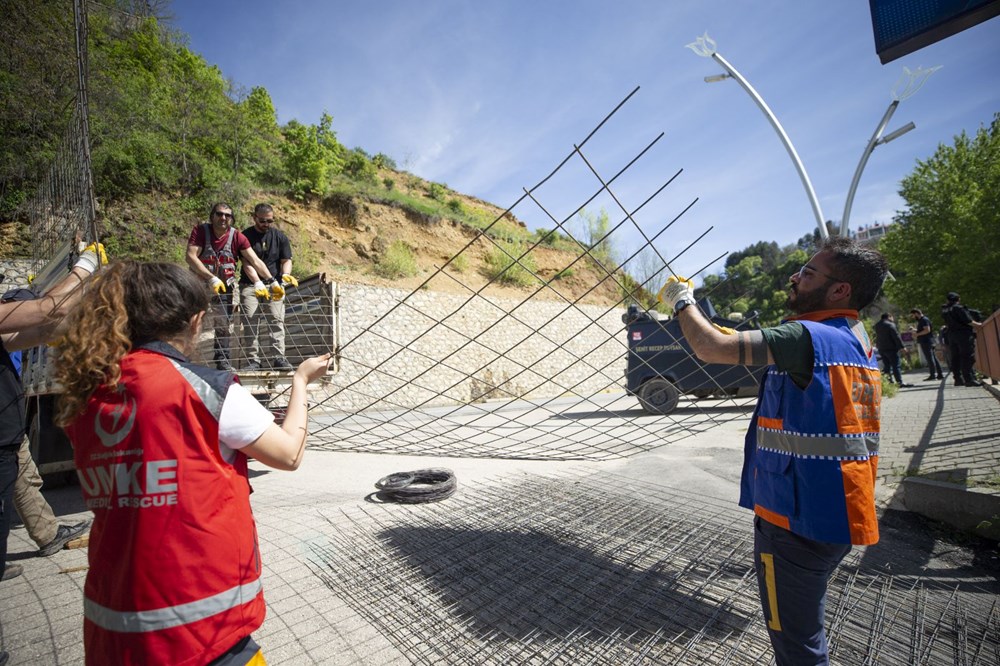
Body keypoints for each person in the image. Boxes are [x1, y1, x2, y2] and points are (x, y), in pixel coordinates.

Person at [53, 261, 331, 666]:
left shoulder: (85, 397)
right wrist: (301, 382)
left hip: (111, 630)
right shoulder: (204, 389)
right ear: (195, 320)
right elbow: (288, 453)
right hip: (203, 632)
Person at [660, 236, 888, 665]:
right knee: (805, 630)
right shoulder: (855, 339)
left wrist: (680, 300)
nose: (795, 277)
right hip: (838, 511)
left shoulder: (804, 336)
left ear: (841, 290)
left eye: (808, 272)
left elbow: (710, 348)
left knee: (797, 643)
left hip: (796, 522)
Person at [1, 245, 104, 586]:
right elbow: (48, 310)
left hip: (8, 428)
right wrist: (85, 266)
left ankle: (46, 536)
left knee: (22, 476)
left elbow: (44, 328)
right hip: (3, 429)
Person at [185, 202, 278, 371]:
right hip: (198, 285)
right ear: (212, 216)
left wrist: (271, 281)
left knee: (223, 324)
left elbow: (255, 261)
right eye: (219, 214)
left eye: (227, 216)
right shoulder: (200, 232)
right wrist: (211, 278)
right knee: (192, 322)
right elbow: (191, 257)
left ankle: (222, 361)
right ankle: (184, 358)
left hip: (224, 288)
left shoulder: (237, 237)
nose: (223, 218)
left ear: (232, 219)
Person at [239, 203, 298, 371]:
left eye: (270, 221)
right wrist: (257, 281)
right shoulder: (245, 237)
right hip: (249, 284)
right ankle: (253, 361)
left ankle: (279, 358)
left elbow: (286, 260)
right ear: (254, 217)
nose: (266, 224)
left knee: (276, 319)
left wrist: (285, 275)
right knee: (250, 321)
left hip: (274, 285)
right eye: (263, 220)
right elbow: (246, 263)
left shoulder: (280, 237)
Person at [940, 291, 983, 387]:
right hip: (963, 335)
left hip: (951, 335)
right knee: (967, 356)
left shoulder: (945, 309)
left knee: (955, 358)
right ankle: (969, 379)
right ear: (958, 299)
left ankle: (958, 379)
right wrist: (979, 325)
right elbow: (968, 320)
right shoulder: (958, 308)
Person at [873, 313, 912, 387]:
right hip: (891, 349)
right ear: (889, 317)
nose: (893, 319)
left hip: (881, 349)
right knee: (896, 366)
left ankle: (889, 382)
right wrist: (902, 347)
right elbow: (896, 337)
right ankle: (899, 382)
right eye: (892, 317)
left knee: (887, 366)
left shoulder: (877, 325)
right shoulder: (890, 325)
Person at [910, 308, 944, 381]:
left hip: (926, 341)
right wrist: (915, 330)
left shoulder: (924, 320)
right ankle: (940, 374)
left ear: (916, 313)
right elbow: (924, 330)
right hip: (927, 341)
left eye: (913, 315)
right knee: (933, 358)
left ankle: (933, 375)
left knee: (930, 358)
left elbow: (927, 330)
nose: (913, 317)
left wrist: (917, 334)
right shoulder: (922, 320)